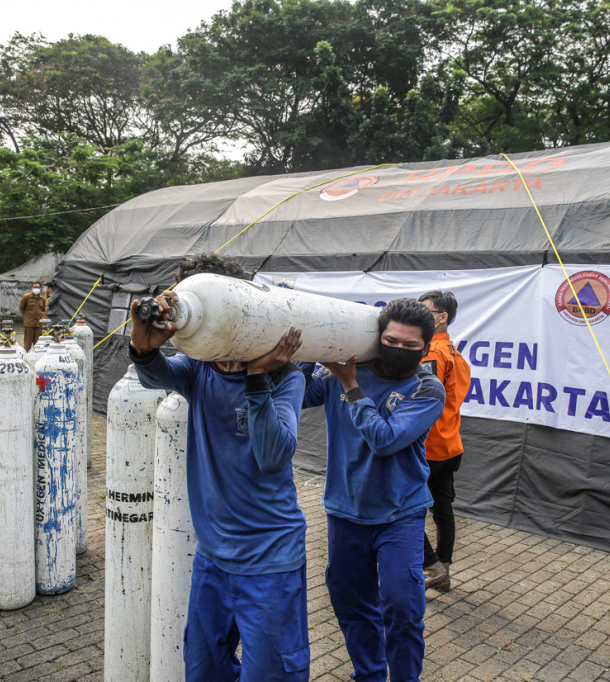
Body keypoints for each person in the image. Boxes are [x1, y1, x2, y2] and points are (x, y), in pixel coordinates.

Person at [128, 253, 310, 682]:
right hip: (213, 556)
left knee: (271, 674)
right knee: (203, 667)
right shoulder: (198, 368)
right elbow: (156, 376)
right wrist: (141, 347)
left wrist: (257, 379)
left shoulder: (287, 376)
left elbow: (273, 454)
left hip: (270, 558)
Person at [303, 298, 445, 682]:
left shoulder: (427, 389)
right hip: (346, 510)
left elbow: (385, 440)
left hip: (400, 513)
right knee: (350, 600)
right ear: (378, 337)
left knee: (402, 605)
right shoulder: (343, 371)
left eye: (410, 346)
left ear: (426, 347)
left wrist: (350, 384)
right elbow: (299, 394)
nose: (399, 350)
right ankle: (368, 674)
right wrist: (308, 349)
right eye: (391, 340)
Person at [417, 291, 471, 592]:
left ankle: (434, 568)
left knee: (408, 508)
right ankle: (444, 568)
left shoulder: (433, 354)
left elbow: (425, 401)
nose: (418, 314)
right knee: (442, 509)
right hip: (450, 445)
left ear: (442, 317)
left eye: (424, 310)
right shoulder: (455, 354)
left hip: (429, 447)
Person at [18, 281, 48, 351]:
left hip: (39, 324)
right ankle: (26, 357)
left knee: (38, 344)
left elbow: (43, 309)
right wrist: (27, 316)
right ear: (31, 288)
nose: (36, 289)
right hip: (29, 324)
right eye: (34, 287)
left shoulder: (42, 299)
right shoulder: (26, 297)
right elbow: (21, 308)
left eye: (38, 287)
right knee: (27, 344)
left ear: (40, 288)